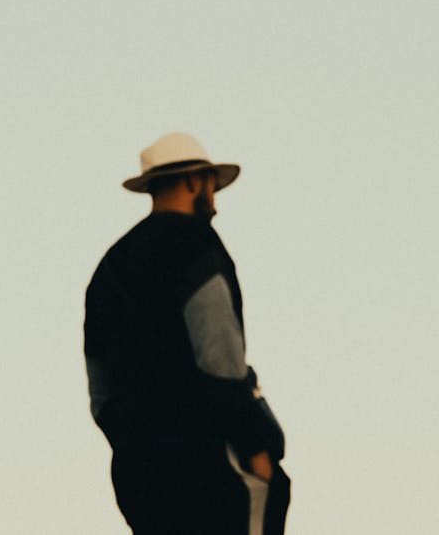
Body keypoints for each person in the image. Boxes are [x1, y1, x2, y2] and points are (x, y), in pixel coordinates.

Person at [84, 131, 291, 535]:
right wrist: (254, 446)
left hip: (138, 472)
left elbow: (100, 387)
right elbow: (220, 357)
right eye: (212, 184)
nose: (214, 197)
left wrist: (132, 441)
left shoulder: (110, 267)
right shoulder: (196, 245)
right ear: (194, 181)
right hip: (209, 458)